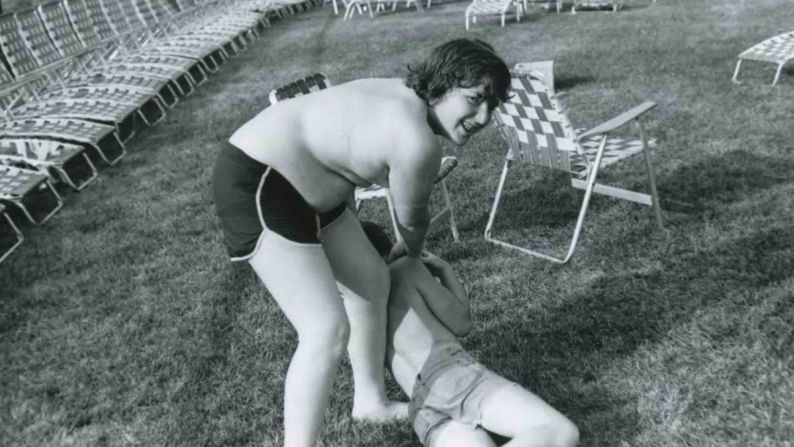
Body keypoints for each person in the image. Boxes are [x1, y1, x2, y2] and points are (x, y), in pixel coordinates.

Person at [212, 39, 511, 446]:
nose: (483, 116)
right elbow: (412, 216)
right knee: (324, 329)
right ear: (441, 85)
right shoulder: (417, 140)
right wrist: (413, 248)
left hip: (313, 188)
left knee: (370, 281)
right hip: (260, 180)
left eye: (492, 106)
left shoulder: (408, 98)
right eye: (475, 99)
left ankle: (369, 402)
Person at [361, 222, 580, 447]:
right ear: (387, 252)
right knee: (559, 430)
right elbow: (462, 323)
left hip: (421, 407)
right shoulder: (404, 269)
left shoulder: (358, 308)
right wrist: (445, 271)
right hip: (452, 375)